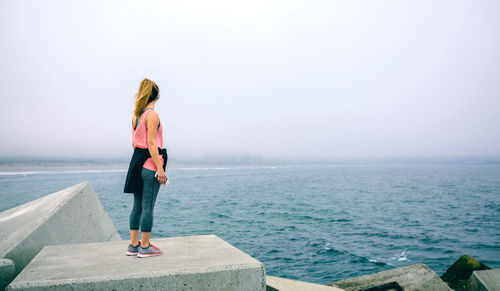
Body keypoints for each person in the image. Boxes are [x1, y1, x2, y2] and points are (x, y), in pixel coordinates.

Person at [123, 78, 167, 258]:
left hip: (136, 161)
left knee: (137, 206)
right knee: (148, 206)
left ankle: (134, 245)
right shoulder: (153, 115)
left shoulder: (136, 116)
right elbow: (151, 143)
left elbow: (135, 143)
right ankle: (146, 246)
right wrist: (160, 169)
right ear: (155, 96)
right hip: (150, 164)